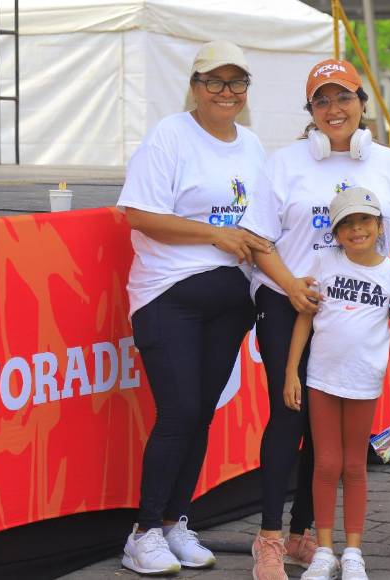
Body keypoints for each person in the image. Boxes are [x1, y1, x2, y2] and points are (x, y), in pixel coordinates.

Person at [239, 59, 390, 580]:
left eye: (343, 97)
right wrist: (294, 287)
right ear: (310, 112)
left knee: (329, 432)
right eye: (321, 100)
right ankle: (269, 538)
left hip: (356, 309)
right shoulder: (284, 163)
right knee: (290, 415)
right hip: (288, 302)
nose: (334, 109)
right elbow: (257, 240)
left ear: (363, 101)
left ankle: (304, 536)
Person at [116, 40, 272, 575]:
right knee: (180, 412)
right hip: (168, 295)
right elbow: (137, 214)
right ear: (196, 86)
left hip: (231, 300)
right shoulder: (170, 136)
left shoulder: (251, 144)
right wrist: (215, 234)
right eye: (215, 82)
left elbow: (263, 222)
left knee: (201, 414)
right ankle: (142, 533)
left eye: (236, 83)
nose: (226, 93)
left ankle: (174, 522)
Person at [281, 187, 390, 580]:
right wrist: (292, 370)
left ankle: (353, 552)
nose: (356, 230)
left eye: (364, 221)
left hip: (364, 383)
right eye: (346, 224)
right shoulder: (323, 262)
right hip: (322, 379)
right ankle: (324, 551)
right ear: (335, 232)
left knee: (355, 466)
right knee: (325, 464)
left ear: (379, 226)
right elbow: (304, 318)